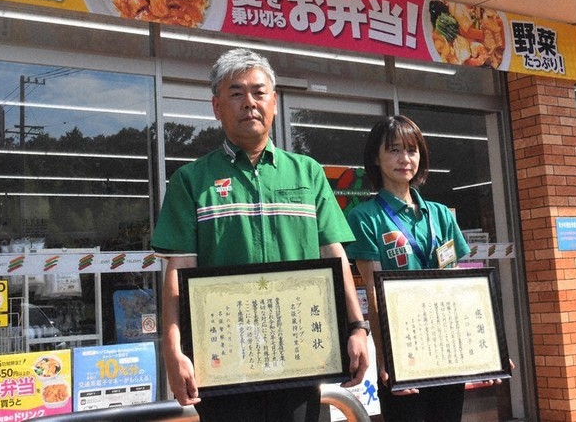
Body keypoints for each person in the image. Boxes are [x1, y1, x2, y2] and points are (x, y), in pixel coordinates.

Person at [151, 48, 369, 422]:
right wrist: (172, 349)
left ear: (275, 102)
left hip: (300, 351)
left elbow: (334, 256)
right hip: (221, 361)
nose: (249, 103)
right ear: (217, 107)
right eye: (236, 93)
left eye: (258, 92)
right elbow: (179, 270)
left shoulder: (308, 173)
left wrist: (358, 327)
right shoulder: (191, 181)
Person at [345, 115, 476, 422]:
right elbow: (374, 293)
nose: (404, 158)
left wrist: (483, 350)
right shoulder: (365, 218)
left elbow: (459, 286)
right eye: (393, 150)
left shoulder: (441, 215)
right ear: (376, 159)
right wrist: (386, 357)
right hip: (404, 349)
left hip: (447, 347)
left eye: (411, 150)